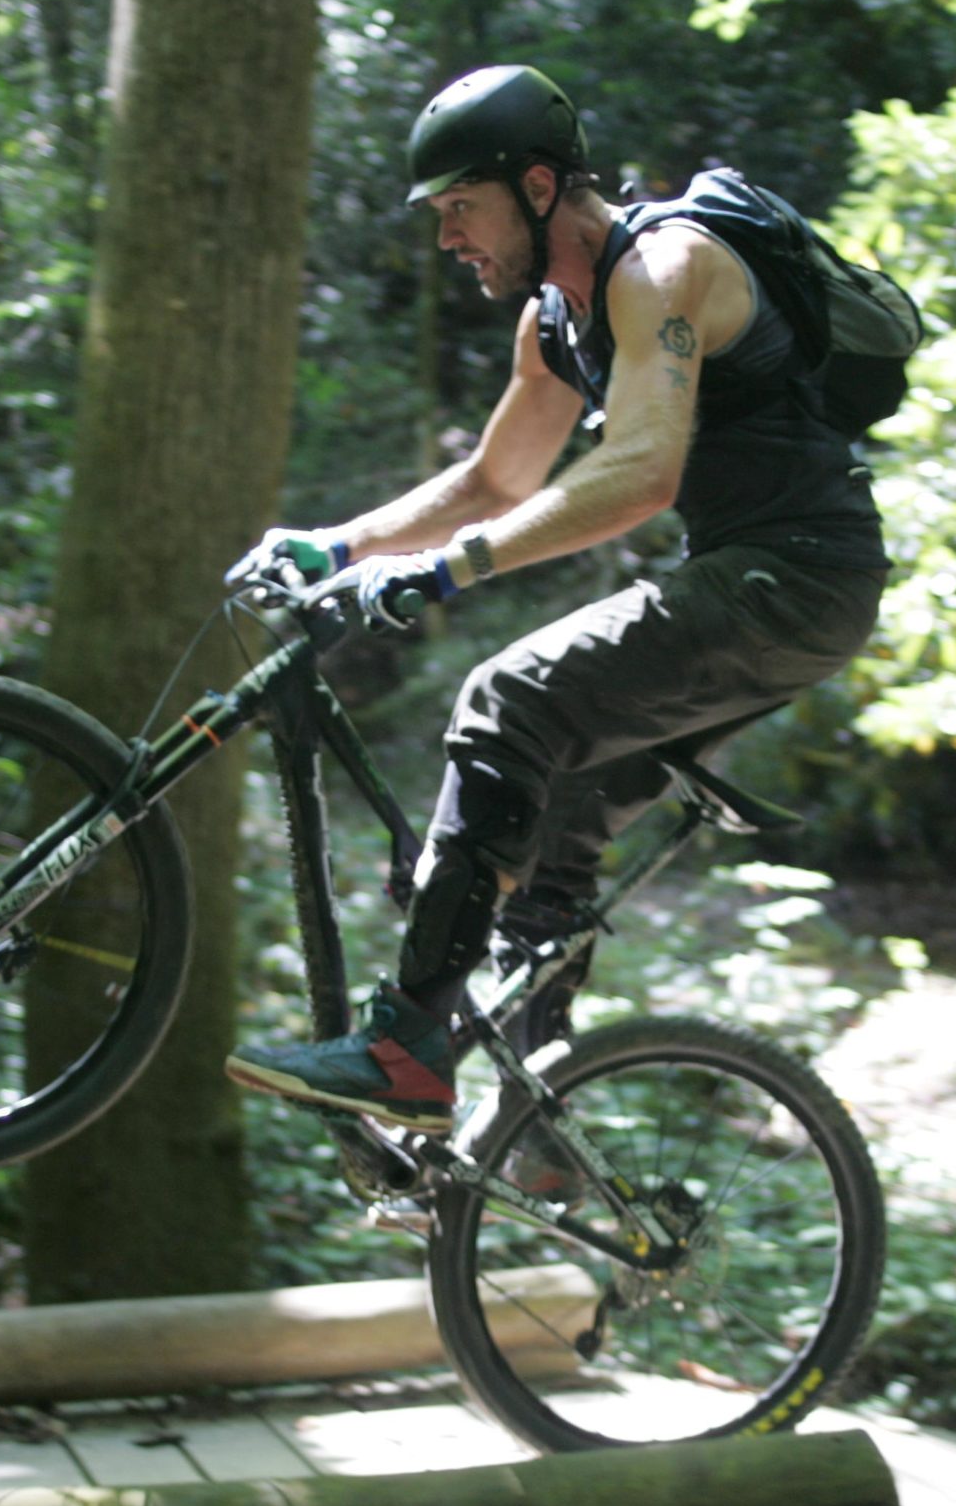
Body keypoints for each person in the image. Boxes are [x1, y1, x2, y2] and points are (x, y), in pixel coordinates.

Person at [223, 63, 888, 1133]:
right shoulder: (554, 317)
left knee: (506, 698)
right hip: (764, 587)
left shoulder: (663, 268)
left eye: (459, 209)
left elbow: (639, 470)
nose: (447, 240)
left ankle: (405, 1047)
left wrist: (447, 570)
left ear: (537, 186)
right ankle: (538, 1123)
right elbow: (494, 480)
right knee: (555, 810)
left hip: (796, 575)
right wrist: (335, 544)